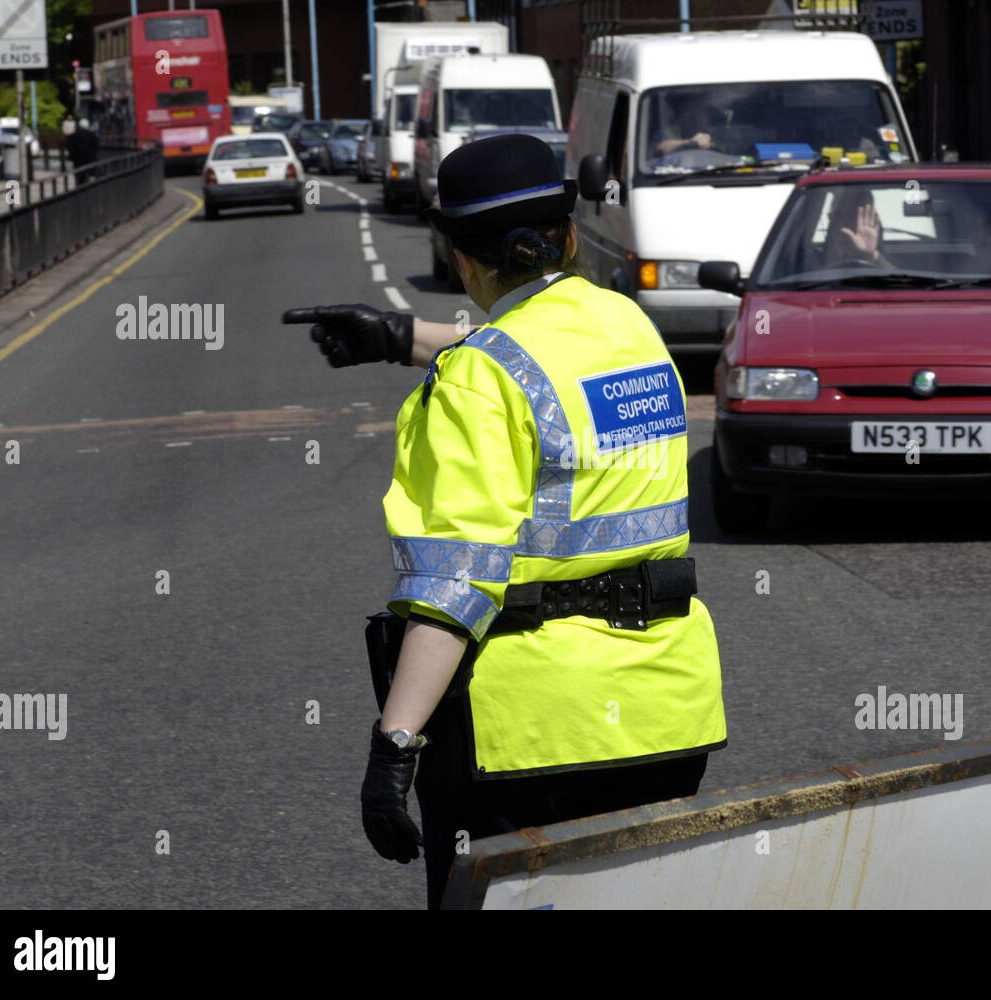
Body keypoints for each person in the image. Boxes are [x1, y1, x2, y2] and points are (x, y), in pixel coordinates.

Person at [283, 134, 727, 909]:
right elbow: (537, 358)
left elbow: (454, 583)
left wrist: (394, 746)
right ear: (569, 235)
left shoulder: (471, 386)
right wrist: (399, 337)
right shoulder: (632, 328)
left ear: (462, 259)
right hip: (667, 715)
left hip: (531, 735)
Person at [826, 186, 892, 268]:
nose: (847, 229)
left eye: (852, 217)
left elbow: (898, 278)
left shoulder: (880, 259)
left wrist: (871, 254)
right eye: (840, 216)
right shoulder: (810, 264)